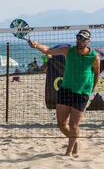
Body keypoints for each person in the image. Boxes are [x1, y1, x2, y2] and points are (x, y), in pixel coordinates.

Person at [28, 29, 100, 157]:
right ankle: (74, 140)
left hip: (82, 92)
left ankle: (69, 152)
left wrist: (91, 89)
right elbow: (49, 51)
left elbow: (96, 74)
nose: (80, 40)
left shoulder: (94, 56)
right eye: (79, 37)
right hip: (66, 89)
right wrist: (36, 45)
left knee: (74, 125)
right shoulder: (68, 50)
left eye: (83, 38)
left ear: (88, 41)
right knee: (61, 124)